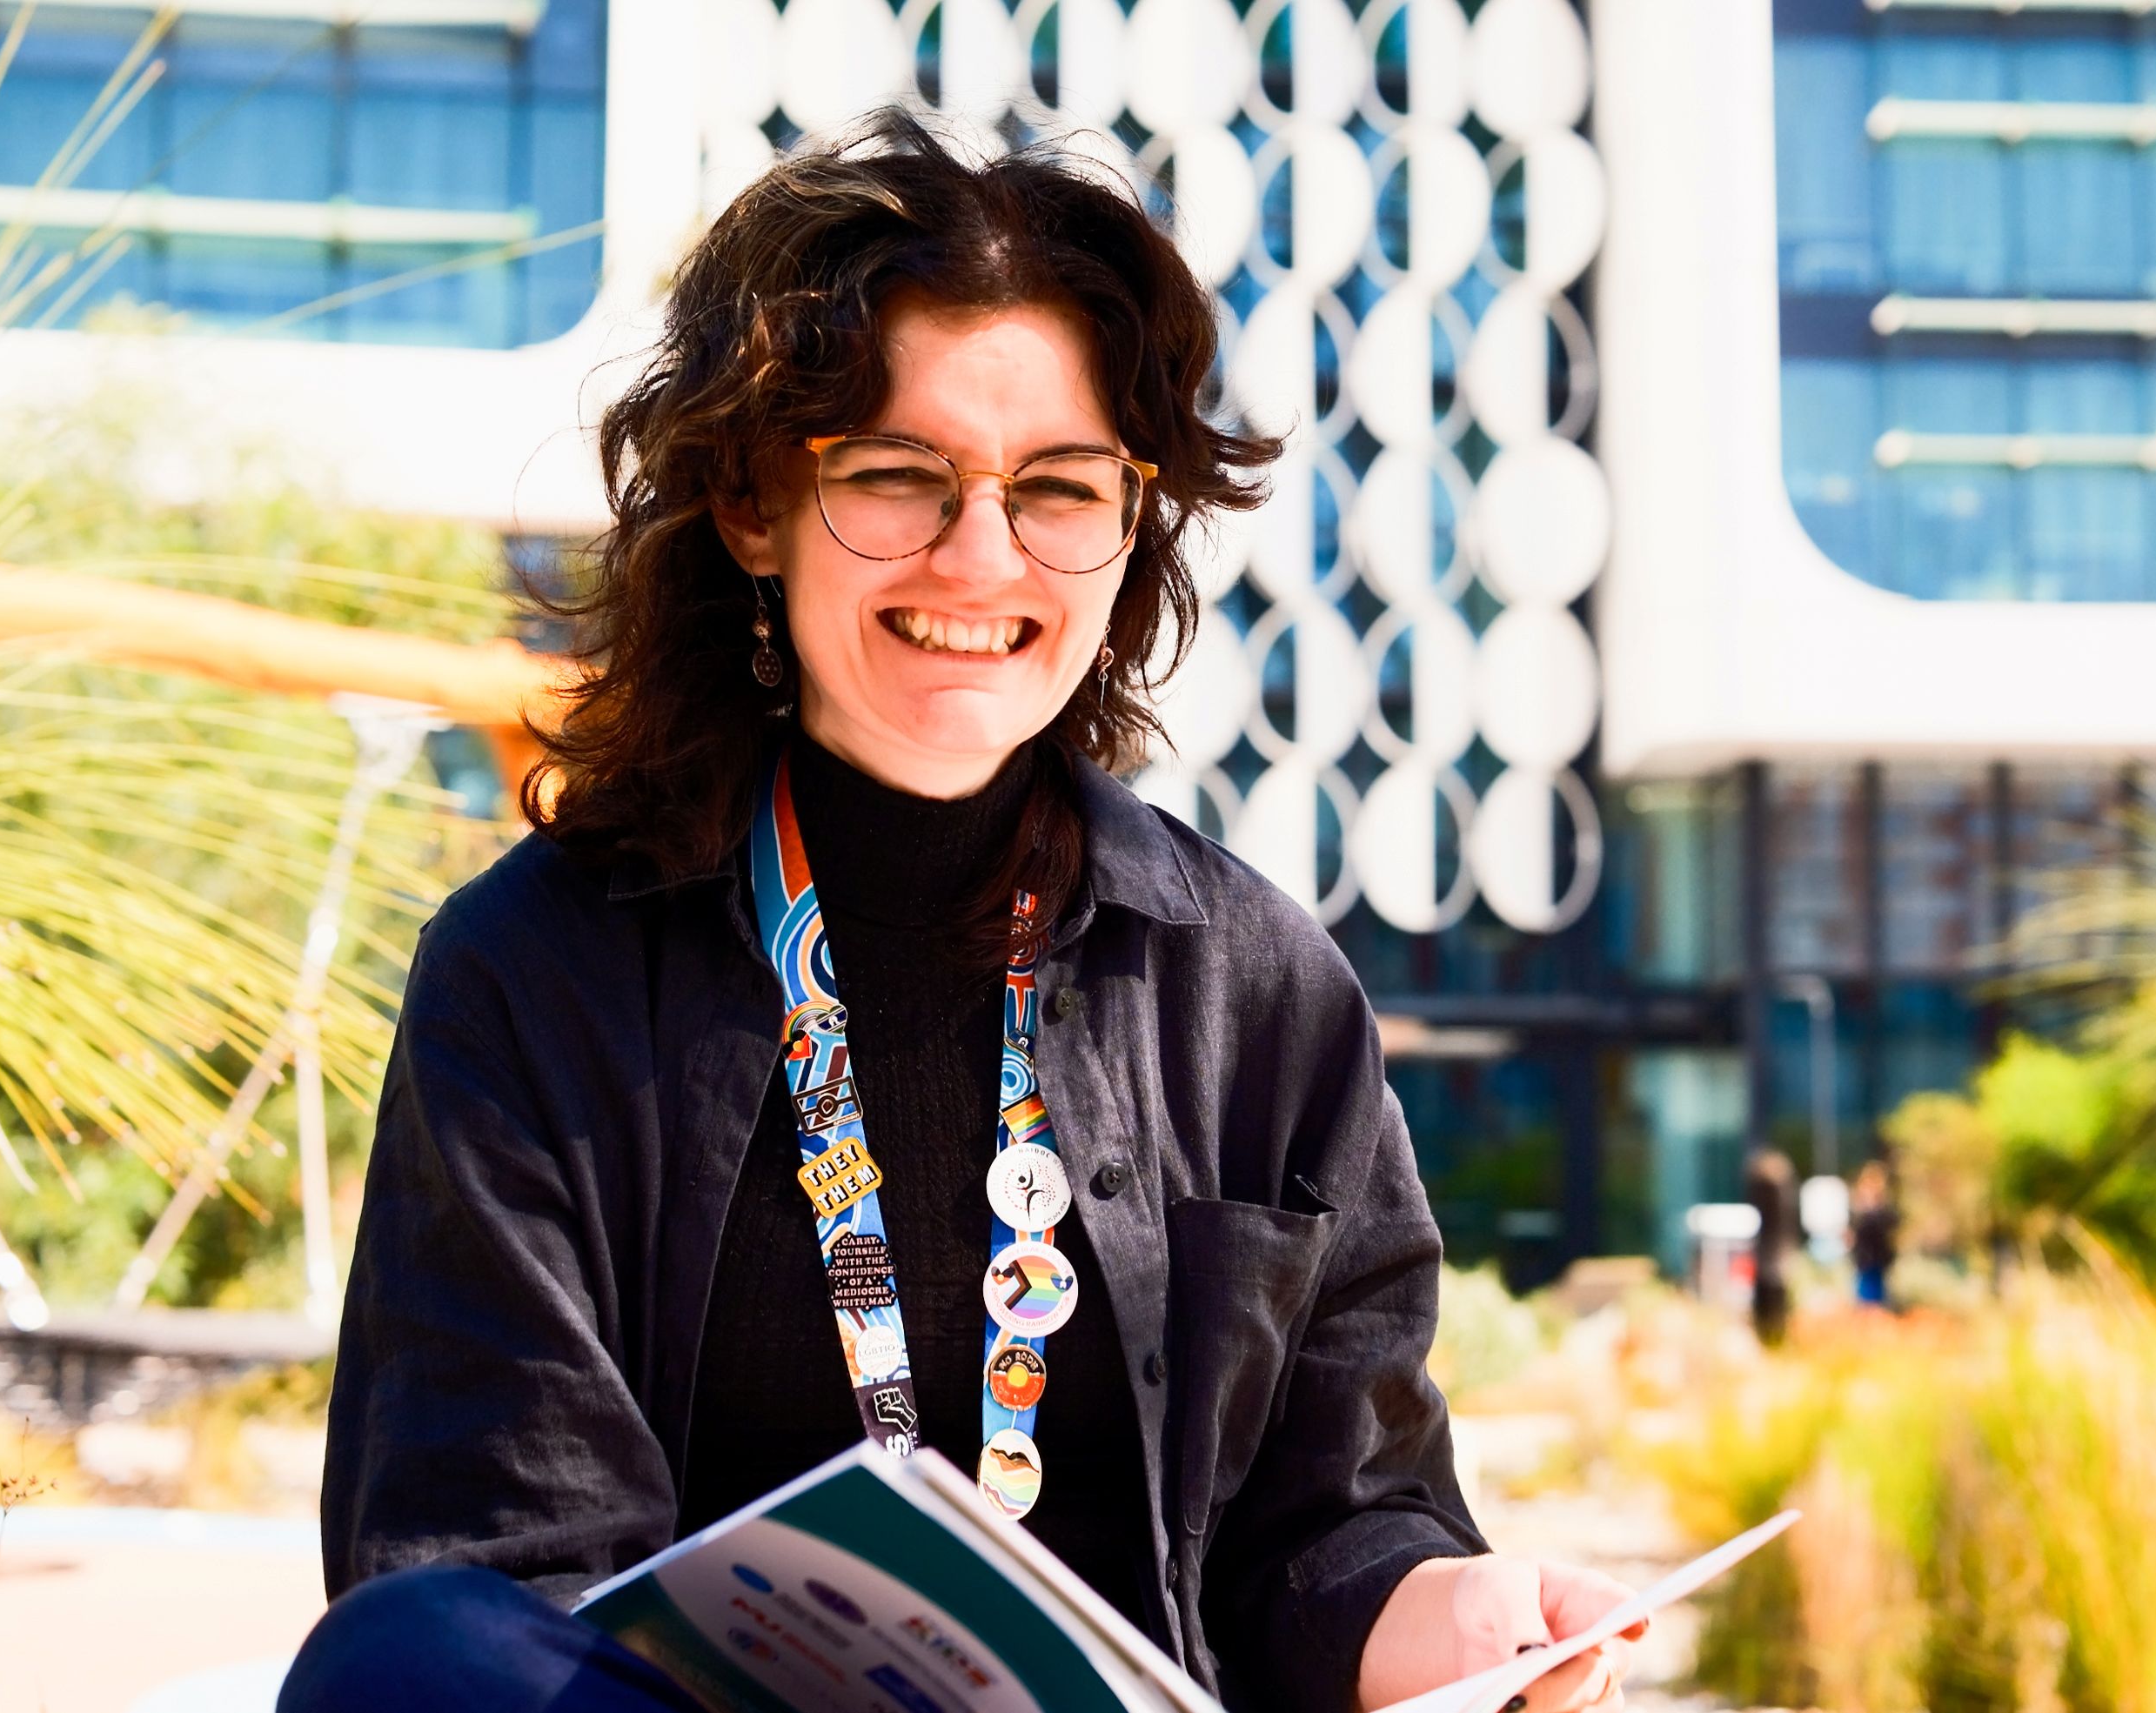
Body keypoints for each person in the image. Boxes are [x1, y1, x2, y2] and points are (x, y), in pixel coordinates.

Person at [280, 114, 1641, 1713]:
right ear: (750, 508)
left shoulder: (1262, 991)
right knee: (411, 1654)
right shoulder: (536, 969)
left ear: (1129, 528)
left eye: (1059, 489)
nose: (980, 555)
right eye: (898, 478)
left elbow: (1328, 1535)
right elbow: (499, 1551)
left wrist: (1466, 1614)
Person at [1743, 1148, 1795, 1346]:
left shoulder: (1770, 1188)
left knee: (1770, 1314)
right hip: (1776, 1259)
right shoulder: (1782, 1190)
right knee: (1774, 1315)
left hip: (1770, 1260)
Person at [1847, 1160, 1899, 1312]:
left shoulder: (1882, 1211)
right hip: (1865, 1261)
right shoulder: (1860, 1211)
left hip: (1877, 1260)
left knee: (1875, 1301)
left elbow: (1891, 1228)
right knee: (1866, 1301)